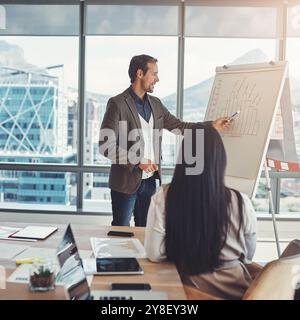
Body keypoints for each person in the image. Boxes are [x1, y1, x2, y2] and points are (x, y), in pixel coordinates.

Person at [99, 54, 231, 227]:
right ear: (140, 74)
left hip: (150, 182)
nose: (157, 79)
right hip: (125, 183)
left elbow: (180, 126)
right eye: (154, 74)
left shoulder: (156, 104)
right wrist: (138, 161)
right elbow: (105, 145)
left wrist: (211, 125)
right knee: (121, 230)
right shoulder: (117, 104)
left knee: (145, 232)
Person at [144, 125, 257, 300]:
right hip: (239, 292)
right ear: (220, 159)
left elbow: (154, 254)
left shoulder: (164, 197)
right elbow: (248, 256)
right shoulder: (242, 202)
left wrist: (179, 246)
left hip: (194, 292)